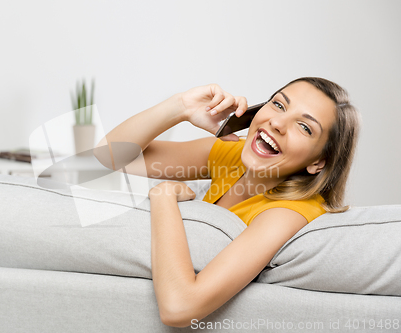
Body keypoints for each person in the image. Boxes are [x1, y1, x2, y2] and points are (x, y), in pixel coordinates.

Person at [94, 77, 360, 328]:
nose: (278, 123)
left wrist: (163, 198)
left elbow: (179, 308)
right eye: (278, 104)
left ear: (318, 162)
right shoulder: (233, 157)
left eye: (305, 127)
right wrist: (180, 107)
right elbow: (108, 157)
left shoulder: (288, 212)